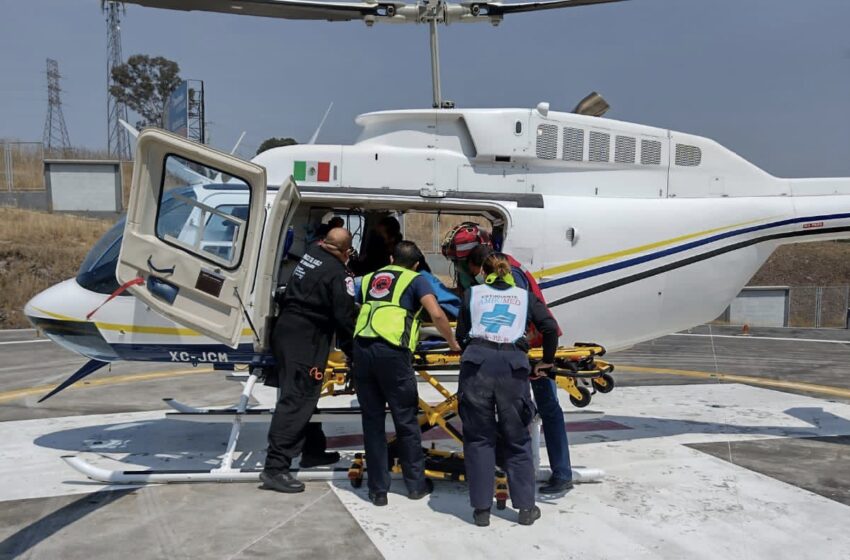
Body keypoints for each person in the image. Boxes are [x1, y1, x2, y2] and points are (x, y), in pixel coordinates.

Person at [351, 241, 461, 506]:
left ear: (391, 257)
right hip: (393, 354)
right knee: (406, 421)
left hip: (362, 350)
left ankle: (378, 491)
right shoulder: (416, 280)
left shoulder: (369, 279)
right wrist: (454, 343)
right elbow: (436, 313)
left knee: (373, 423)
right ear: (415, 264)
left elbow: (354, 305)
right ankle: (415, 485)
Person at [455, 253, 559, 527]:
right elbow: (549, 327)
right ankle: (525, 509)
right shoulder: (524, 296)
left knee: (478, 439)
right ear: (509, 273)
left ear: (484, 272)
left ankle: (481, 511)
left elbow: (460, 335)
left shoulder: (472, 294)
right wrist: (546, 361)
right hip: (513, 367)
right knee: (517, 437)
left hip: (477, 363)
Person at [466, 244, 572, 494]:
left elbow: (518, 319)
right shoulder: (511, 268)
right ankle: (552, 470)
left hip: (527, 351)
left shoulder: (511, 278)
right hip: (528, 349)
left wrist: (543, 360)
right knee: (538, 409)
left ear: (483, 267)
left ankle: (556, 473)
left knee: (534, 409)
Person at [260, 227, 357, 493]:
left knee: (305, 396)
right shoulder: (340, 274)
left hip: (286, 329)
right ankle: (275, 467)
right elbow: (345, 318)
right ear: (346, 251)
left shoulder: (312, 253)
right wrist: (354, 352)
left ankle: (313, 450)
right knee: (296, 399)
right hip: (306, 338)